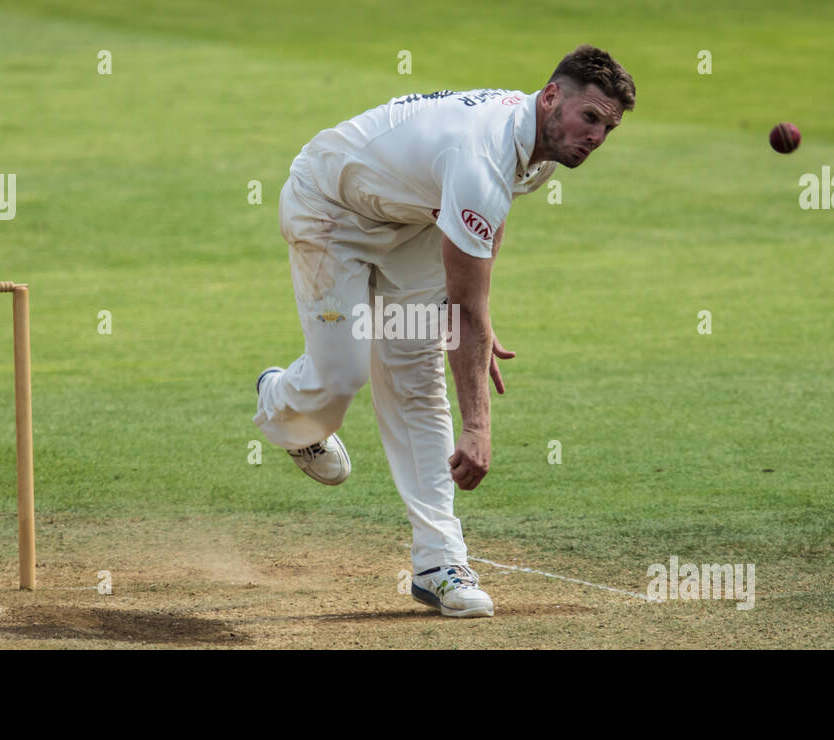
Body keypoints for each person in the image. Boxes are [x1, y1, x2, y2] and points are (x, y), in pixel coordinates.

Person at [254, 45, 635, 617]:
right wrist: (477, 427)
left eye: (608, 127)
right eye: (590, 118)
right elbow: (463, 299)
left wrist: (480, 309)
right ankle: (284, 407)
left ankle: (439, 564)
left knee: (417, 377)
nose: (596, 137)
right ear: (551, 96)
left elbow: (488, 226)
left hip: (409, 225)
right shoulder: (481, 151)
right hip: (330, 211)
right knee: (343, 374)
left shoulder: (540, 147)